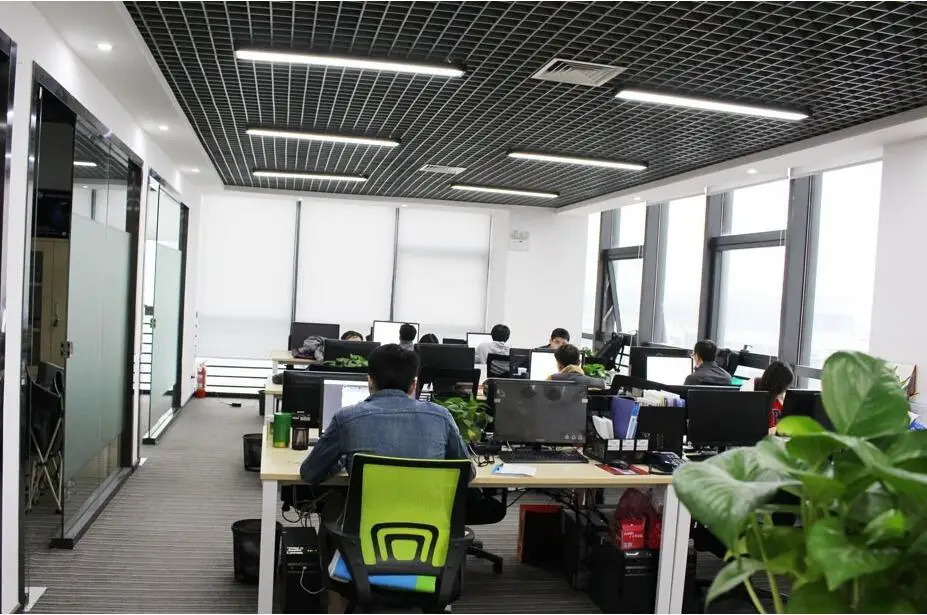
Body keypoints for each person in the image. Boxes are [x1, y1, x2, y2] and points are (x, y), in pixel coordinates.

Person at [299, 344, 474, 613]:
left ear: (370, 381)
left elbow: (310, 473)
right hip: (430, 540)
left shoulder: (347, 418)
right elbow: (467, 472)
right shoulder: (441, 416)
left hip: (367, 542)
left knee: (333, 507)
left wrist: (344, 458)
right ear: (413, 384)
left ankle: (337, 596)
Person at [741, 361, 794, 431]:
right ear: (777, 386)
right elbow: (750, 428)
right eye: (785, 388)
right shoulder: (750, 393)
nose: (785, 391)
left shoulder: (781, 397)